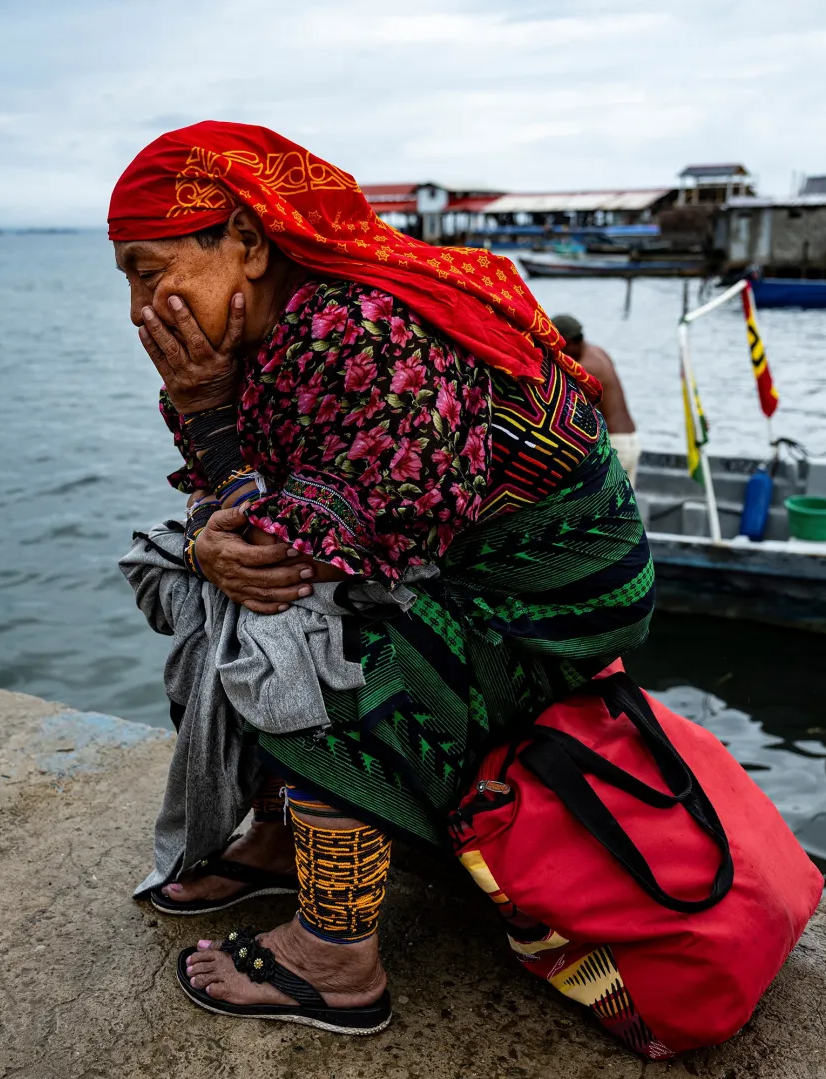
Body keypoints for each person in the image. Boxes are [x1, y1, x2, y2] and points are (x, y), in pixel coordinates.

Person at [110, 122, 654, 1035]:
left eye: (147, 268)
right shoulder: (264, 335)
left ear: (244, 242)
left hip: (551, 598)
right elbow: (238, 506)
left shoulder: (358, 331)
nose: (137, 308)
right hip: (440, 559)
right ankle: (286, 837)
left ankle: (337, 954)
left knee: (310, 636)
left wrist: (210, 441)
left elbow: (296, 557)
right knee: (209, 577)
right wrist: (208, 530)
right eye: (127, 278)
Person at [552, 314, 639, 484]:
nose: (557, 354)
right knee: (622, 507)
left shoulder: (584, 369)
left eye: (557, 347)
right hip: (630, 440)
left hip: (616, 445)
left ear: (567, 342)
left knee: (601, 507)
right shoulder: (598, 352)